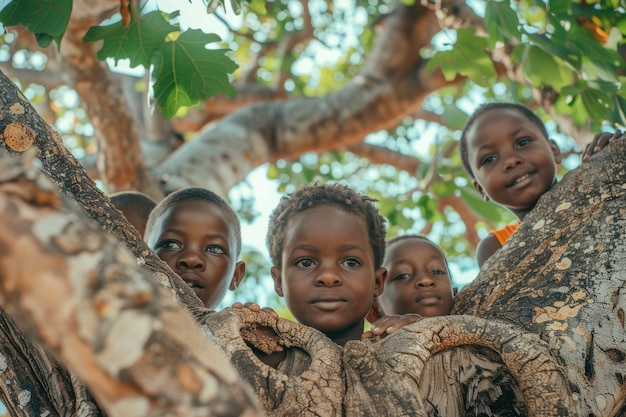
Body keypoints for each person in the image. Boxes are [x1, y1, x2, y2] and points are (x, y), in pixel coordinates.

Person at [258, 182, 417, 371]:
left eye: (351, 262)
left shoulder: (409, 348)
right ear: (279, 281)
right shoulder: (257, 359)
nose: (328, 277)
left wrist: (422, 333)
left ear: (377, 282)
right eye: (306, 262)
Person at [459, 102, 621, 268]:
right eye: (489, 159)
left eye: (522, 142)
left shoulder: (595, 188)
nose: (511, 161)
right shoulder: (496, 246)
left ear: (554, 151)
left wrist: (612, 154)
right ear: (481, 190)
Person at [144, 187, 245, 310]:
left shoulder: (242, 327)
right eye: (171, 244)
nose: (191, 259)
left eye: (214, 249)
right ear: (141, 261)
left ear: (236, 275)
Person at [365, 234, 455, 334]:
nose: (425, 280)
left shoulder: (474, 332)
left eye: (436, 272)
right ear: (373, 309)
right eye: (403, 275)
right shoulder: (370, 346)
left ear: (455, 293)